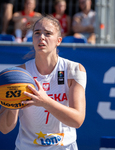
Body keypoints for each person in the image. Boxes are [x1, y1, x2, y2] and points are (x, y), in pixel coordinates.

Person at [0, 15, 86, 150]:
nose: (41, 37)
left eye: (48, 33)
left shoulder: (74, 69)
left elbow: (77, 120)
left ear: (58, 40)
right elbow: (5, 129)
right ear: (32, 39)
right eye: (37, 33)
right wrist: (12, 106)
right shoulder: (18, 74)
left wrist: (46, 102)